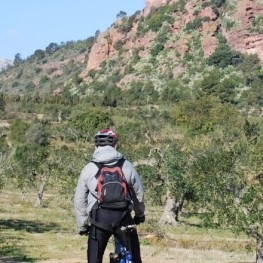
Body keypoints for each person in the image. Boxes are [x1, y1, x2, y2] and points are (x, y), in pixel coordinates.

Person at [74, 128, 145, 263]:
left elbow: (79, 200)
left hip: (99, 220)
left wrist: (82, 226)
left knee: (94, 260)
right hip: (124, 218)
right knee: (134, 259)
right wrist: (140, 214)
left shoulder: (89, 168)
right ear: (115, 145)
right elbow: (138, 193)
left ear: (96, 146)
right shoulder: (127, 166)